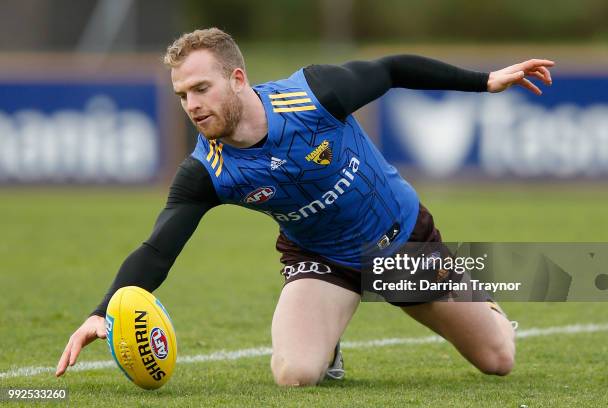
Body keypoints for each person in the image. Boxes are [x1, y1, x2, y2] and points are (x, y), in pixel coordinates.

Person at [56, 27, 554, 386]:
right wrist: (101, 313)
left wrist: (484, 81)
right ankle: (328, 342)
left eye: (201, 88)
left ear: (237, 78)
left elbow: (391, 69)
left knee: (498, 360)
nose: (192, 105)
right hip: (323, 263)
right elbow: (158, 251)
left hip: (401, 242)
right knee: (294, 374)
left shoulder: (314, 94)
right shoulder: (205, 170)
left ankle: (480, 303)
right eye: (183, 94)